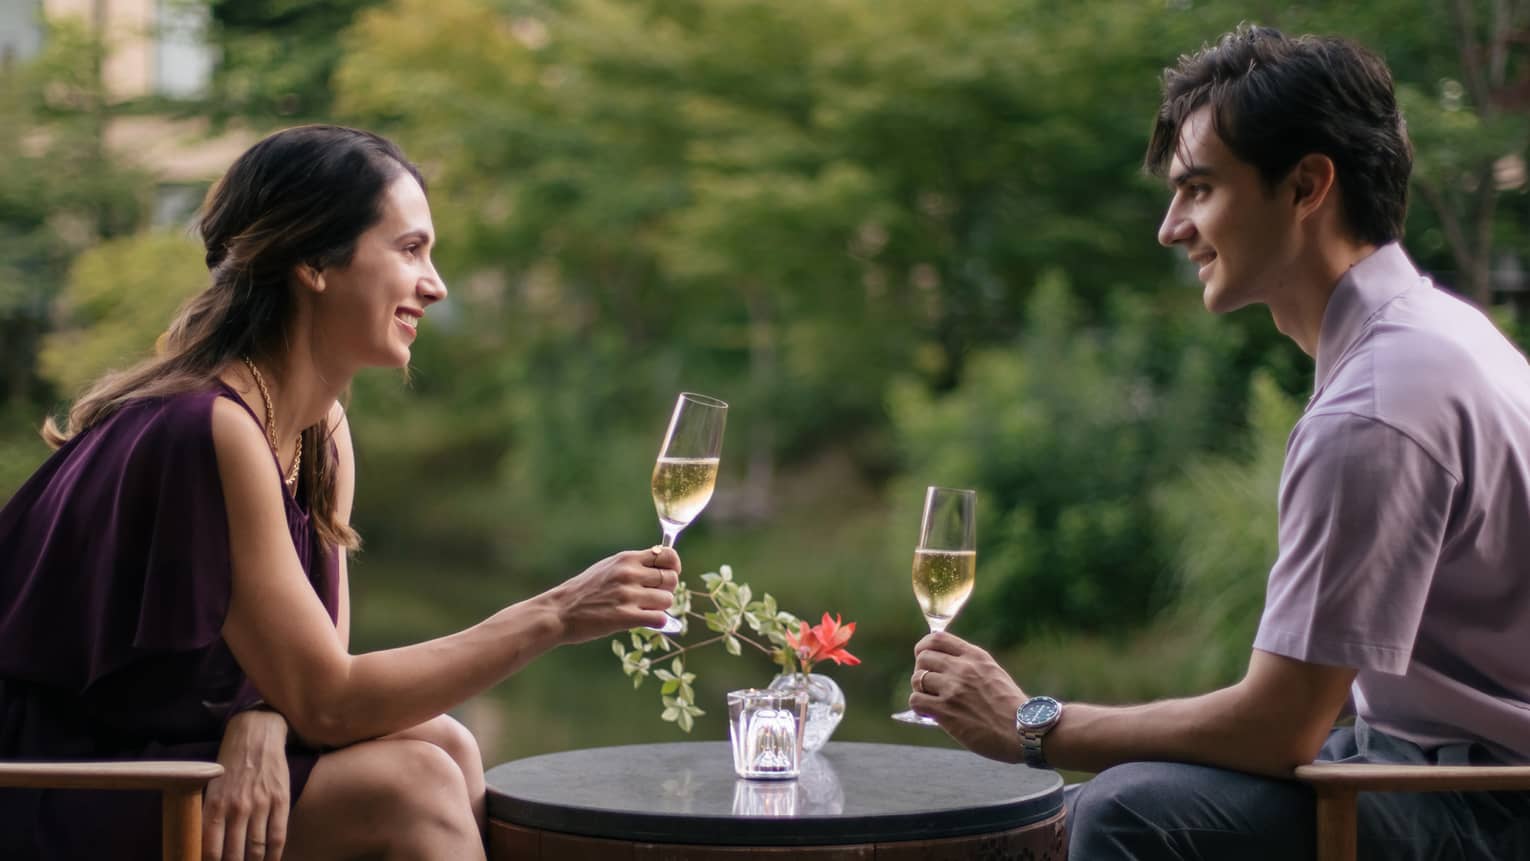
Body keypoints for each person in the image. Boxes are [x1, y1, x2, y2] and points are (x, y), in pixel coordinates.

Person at [908, 25, 1530, 860]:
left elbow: (1281, 724)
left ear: (1308, 184)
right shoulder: (1438, 334)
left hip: (1487, 800)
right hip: (1429, 760)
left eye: (1199, 189)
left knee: (1126, 813)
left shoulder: (1375, 406)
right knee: (1100, 799)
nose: (1172, 227)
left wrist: (1036, 723)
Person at [0, 124, 682, 861]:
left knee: (445, 742)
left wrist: (263, 714)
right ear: (314, 264)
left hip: (156, 756)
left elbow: (317, 675)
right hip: (53, 779)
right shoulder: (205, 428)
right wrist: (555, 612)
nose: (436, 283)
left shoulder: (320, 429)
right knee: (411, 787)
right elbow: (329, 700)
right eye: (410, 249)